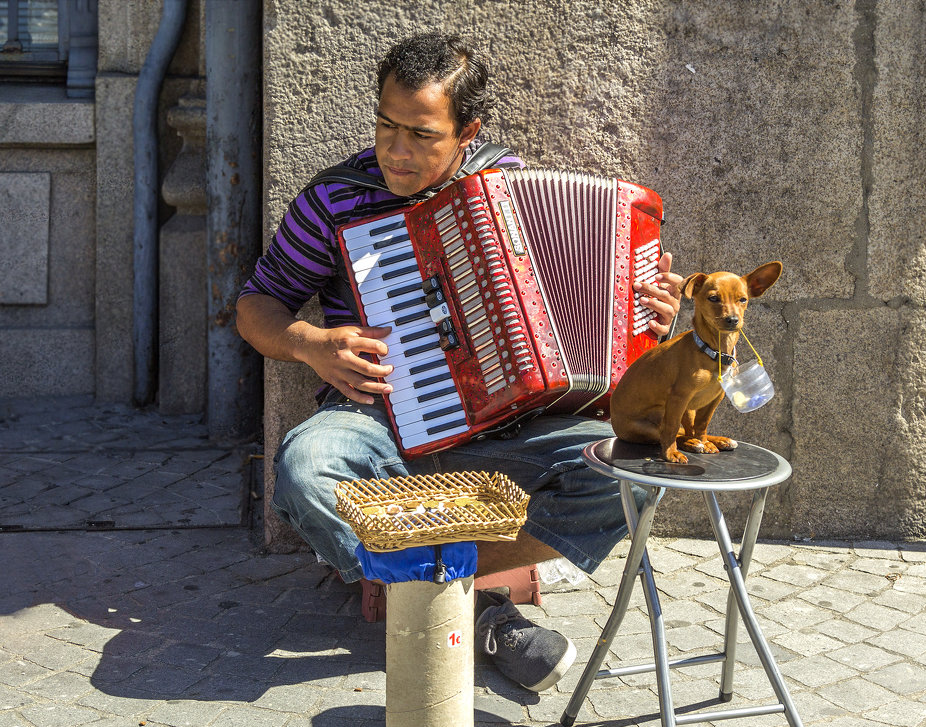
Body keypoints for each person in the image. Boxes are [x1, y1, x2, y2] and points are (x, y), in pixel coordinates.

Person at [236, 32, 682, 692]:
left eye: (419, 134)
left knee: (636, 472)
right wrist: (309, 342)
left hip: (507, 431)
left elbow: (592, 333)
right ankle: (474, 606)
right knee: (305, 469)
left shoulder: (509, 186)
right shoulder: (335, 200)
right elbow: (256, 306)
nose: (394, 150)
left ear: (467, 131)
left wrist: (649, 319)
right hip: (375, 418)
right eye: (385, 125)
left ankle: (430, 585)